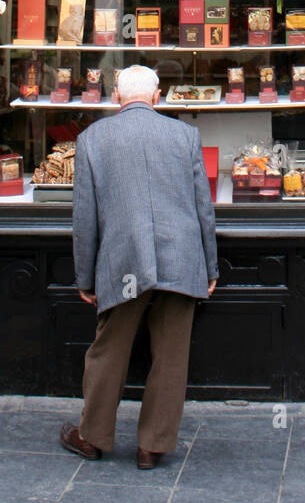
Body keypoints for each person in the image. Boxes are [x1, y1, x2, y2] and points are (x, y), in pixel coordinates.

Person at [60, 64, 218, 469]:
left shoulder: (92, 139)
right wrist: (210, 267)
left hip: (124, 260)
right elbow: (204, 208)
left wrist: (85, 275)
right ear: (157, 95)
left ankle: (92, 436)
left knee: (108, 350)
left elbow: (85, 217)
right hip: (180, 257)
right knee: (171, 354)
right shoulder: (185, 135)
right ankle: (153, 445)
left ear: (116, 95)